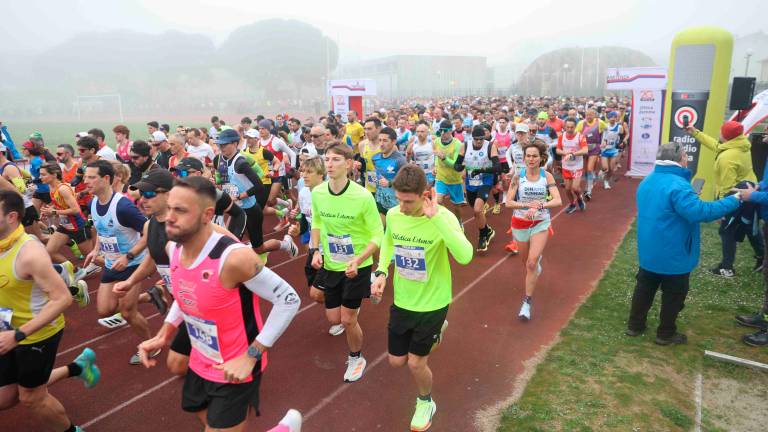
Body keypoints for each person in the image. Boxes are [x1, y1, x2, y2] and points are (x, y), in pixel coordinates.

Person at [136, 176, 300, 431]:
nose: (170, 217)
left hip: (236, 365)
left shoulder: (233, 259)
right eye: (169, 208)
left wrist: (252, 355)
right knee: (200, 413)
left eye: (181, 210)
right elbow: (185, 294)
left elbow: (289, 300)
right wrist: (164, 334)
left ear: (207, 215)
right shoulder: (173, 249)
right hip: (201, 359)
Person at [371, 165, 473, 431]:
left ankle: (425, 401)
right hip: (403, 299)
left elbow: (465, 256)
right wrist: (381, 271)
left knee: (416, 363)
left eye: (408, 202)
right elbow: (389, 242)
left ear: (424, 195)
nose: (402, 207)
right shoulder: (394, 214)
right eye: (398, 200)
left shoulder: (443, 217)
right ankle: (436, 334)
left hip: (433, 302)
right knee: (397, 361)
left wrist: (436, 219)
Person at [0, 190, 100, 432]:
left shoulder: (29, 253)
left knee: (31, 397)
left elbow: (62, 299)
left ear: (11, 217)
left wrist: (18, 335)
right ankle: (77, 367)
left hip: (36, 334)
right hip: (7, 332)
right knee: (5, 398)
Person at [626, 142, 744, 345]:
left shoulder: (648, 180)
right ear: (681, 159)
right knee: (674, 294)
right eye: (686, 157)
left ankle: (635, 325)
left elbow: (669, 209)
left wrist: (692, 199)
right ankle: (666, 334)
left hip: (650, 247)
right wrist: (735, 199)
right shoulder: (678, 185)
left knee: (645, 286)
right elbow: (700, 212)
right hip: (674, 251)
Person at [311, 143, 384, 382]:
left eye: (336, 160)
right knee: (334, 319)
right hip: (331, 264)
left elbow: (378, 235)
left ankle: (356, 358)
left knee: (347, 319)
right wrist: (315, 250)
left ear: (349, 164)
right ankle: (366, 289)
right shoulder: (318, 193)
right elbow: (317, 222)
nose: (329, 164)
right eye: (327, 159)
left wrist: (359, 259)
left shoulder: (362, 196)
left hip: (357, 266)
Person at [82, 160, 155, 364]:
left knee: (128, 312)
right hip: (111, 264)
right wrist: (96, 249)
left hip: (132, 264)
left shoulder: (123, 206)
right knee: (105, 310)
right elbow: (101, 229)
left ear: (106, 179)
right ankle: (150, 296)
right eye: (85, 177)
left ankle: (150, 345)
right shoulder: (93, 203)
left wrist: (129, 255)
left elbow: (149, 231)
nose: (85, 181)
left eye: (91, 177)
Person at [686, 121, 762, 277]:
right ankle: (762, 258)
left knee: (727, 230)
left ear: (726, 136)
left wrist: (721, 209)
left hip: (738, 195)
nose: (719, 133)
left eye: (721, 131)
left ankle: (727, 268)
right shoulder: (740, 145)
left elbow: (727, 187)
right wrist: (695, 132)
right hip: (750, 191)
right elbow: (717, 146)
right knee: (750, 227)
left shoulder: (727, 158)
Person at [505, 140, 562, 321]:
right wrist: (527, 205)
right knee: (526, 263)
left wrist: (540, 206)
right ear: (524, 158)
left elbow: (558, 200)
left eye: (534, 156)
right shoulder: (518, 176)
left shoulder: (547, 176)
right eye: (528, 156)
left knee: (531, 263)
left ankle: (527, 303)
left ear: (541, 158)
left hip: (540, 222)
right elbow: (508, 202)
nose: (531, 159)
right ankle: (536, 263)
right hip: (520, 223)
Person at [454, 125, 500, 251]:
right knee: (476, 210)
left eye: (481, 139)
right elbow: (457, 165)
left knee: (477, 209)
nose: (479, 141)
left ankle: (482, 236)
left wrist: (481, 170)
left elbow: (497, 167)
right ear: (472, 138)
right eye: (476, 139)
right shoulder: (465, 146)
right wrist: (459, 167)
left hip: (485, 180)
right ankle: (487, 230)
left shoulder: (490, 146)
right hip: (471, 182)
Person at [433, 120, 465, 222]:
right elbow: (436, 156)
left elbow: (455, 163)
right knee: (438, 201)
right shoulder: (436, 141)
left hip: (454, 179)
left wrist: (444, 159)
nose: (442, 133)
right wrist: (435, 166)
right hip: (441, 177)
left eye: (445, 131)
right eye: (441, 131)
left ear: (451, 131)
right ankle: (448, 219)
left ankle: (459, 222)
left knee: (457, 207)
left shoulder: (457, 144)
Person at [372, 127, 407, 217]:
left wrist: (390, 183)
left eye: (385, 141)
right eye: (380, 140)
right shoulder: (375, 158)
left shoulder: (400, 160)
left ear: (393, 141)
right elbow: (378, 175)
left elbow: (407, 181)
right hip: (380, 201)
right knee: (380, 226)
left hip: (396, 205)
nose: (381, 144)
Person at [556, 118, 588, 214]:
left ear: (575, 127)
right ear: (565, 127)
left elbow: (585, 150)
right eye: (568, 127)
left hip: (577, 166)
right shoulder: (561, 137)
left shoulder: (580, 137)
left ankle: (579, 198)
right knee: (567, 189)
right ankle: (572, 204)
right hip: (566, 166)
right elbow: (558, 150)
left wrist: (573, 154)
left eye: (572, 127)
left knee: (575, 188)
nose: (569, 129)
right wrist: (565, 153)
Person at [575, 109, 606, 201]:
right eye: (587, 115)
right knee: (585, 170)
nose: (589, 116)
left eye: (591, 115)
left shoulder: (600, 123)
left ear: (594, 115)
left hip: (595, 147)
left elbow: (607, 130)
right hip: (583, 148)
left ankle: (589, 190)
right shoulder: (581, 123)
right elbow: (576, 134)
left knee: (589, 168)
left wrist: (604, 140)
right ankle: (588, 184)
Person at [600, 111, 622, 189]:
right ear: (608, 118)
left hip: (613, 150)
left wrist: (621, 142)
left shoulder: (619, 127)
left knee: (611, 169)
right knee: (605, 168)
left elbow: (621, 136)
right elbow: (602, 135)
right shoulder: (605, 126)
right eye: (611, 117)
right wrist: (602, 142)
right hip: (605, 149)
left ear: (616, 118)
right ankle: (602, 171)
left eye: (614, 117)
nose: (613, 118)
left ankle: (606, 181)